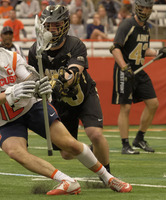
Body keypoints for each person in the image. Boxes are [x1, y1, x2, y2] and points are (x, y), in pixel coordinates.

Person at [0, 19, 132, 195]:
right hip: (4, 119)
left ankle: (108, 178)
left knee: (69, 144)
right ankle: (66, 181)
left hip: (30, 107)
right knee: (15, 151)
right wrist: (9, 95)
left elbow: (30, 79)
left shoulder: (10, 57)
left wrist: (40, 87)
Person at [28, 5, 112, 175]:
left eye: (57, 24)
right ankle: (87, 150)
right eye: (49, 25)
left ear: (65, 24)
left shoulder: (75, 44)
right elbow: (32, 78)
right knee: (66, 153)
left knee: (95, 134)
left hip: (83, 94)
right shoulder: (35, 51)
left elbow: (74, 71)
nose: (53, 29)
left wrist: (60, 80)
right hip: (61, 102)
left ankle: (107, 174)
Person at [110, 0, 166, 154]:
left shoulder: (146, 28)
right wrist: (124, 67)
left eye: (148, 8)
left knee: (153, 103)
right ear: (137, 8)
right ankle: (125, 145)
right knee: (126, 107)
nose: (145, 11)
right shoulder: (127, 24)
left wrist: (159, 53)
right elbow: (115, 48)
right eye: (143, 7)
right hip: (125, 70)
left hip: (139, 70)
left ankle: (139, 139)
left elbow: (142, 50)